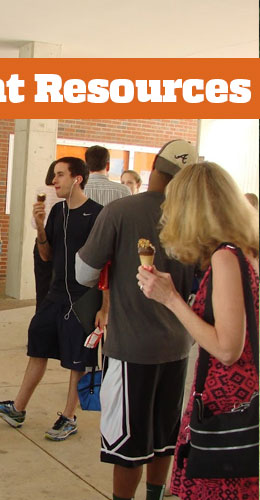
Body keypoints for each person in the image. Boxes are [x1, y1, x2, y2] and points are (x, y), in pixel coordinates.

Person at [75, 140, 198, 500]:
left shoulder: (121, 211)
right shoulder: (192, 219)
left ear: (155, 168)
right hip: (178, 346)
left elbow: (84, 272)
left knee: (127, 446)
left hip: (131, 349)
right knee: (163, 439)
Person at [136, 162, 259, 500]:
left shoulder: (226, 257)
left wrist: (171, 299)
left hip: (226, 405)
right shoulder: (247, 250)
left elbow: (227, 348)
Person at [0, 157, 103, 441]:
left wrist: (105, 307)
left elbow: (106, 264)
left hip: (83, 298)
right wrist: (40, 226)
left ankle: (69, 416)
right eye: (53, 175)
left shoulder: (97, 214)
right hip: (55, 295)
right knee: (37, 344)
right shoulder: (58, 211)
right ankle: (18, 408)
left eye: (60, 175)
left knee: (77, 360)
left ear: (78, 178)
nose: (54, 181)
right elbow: (47, 255)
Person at [32, 160, 61, 309]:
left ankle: (41, 318)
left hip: (42, 239)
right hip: (62, 244)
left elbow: (34, 222)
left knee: (42, 287)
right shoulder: (66, 193)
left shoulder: (41, 190)